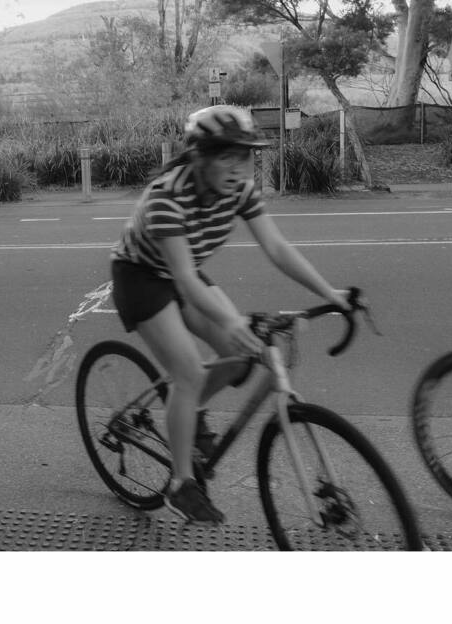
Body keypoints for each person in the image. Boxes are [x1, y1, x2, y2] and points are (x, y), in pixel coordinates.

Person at [110, 104, 351, 524]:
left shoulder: (240, 189)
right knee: (188, 372)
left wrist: (330, 292)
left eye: (245, 156)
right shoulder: (167, 196)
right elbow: (184, 281)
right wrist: (231, 320)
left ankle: (188, 409)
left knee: (240, 355)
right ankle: (181, 484)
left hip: (180, 272)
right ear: (200, 156)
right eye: (226, 156)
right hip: (142, 276)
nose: (238, 167)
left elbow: (277, 249)